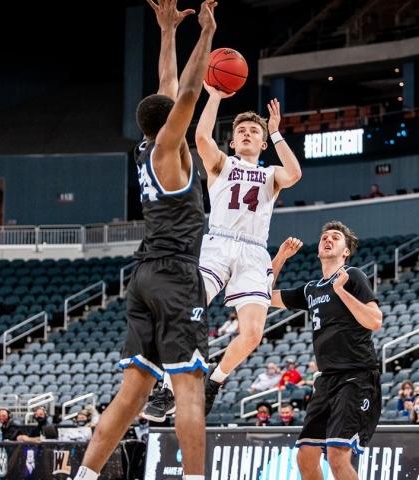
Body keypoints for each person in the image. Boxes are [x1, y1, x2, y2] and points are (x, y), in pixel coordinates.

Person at [77, 2, 217, 479]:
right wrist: (206, 33)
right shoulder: (166, 151)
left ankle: (84, 476)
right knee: (189, 388)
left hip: (143, 276)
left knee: (131, 395)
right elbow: (188, 92)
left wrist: (167, 33)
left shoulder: (145, 148)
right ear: (170, 123)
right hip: (175, 275)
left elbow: (168, 88)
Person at [141, 18, 304, 423]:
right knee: (187, 311)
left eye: (254, 131)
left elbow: (295, 173)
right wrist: (213, 96)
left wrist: (276, 133)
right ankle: (166, 388)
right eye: (242, 130)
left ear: (262, 142)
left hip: (253, 252)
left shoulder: (271, 174)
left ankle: (214, 381)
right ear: (232, 140)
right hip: (217, 242)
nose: (247, 133)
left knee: (252, 333)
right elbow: (200, 139)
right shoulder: (221, 164)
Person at [270, 221, 383, 480]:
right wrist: (281, 257)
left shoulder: (353, 276)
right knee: (305, 456)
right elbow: (264, 295)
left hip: (357, 376)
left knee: (336, 454)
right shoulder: (311, 289)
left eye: (335, 237)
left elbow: (375, 321)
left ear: (346, 251)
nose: (328, 239)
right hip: (326, 380)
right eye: (324, 237)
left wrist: (341, 291)